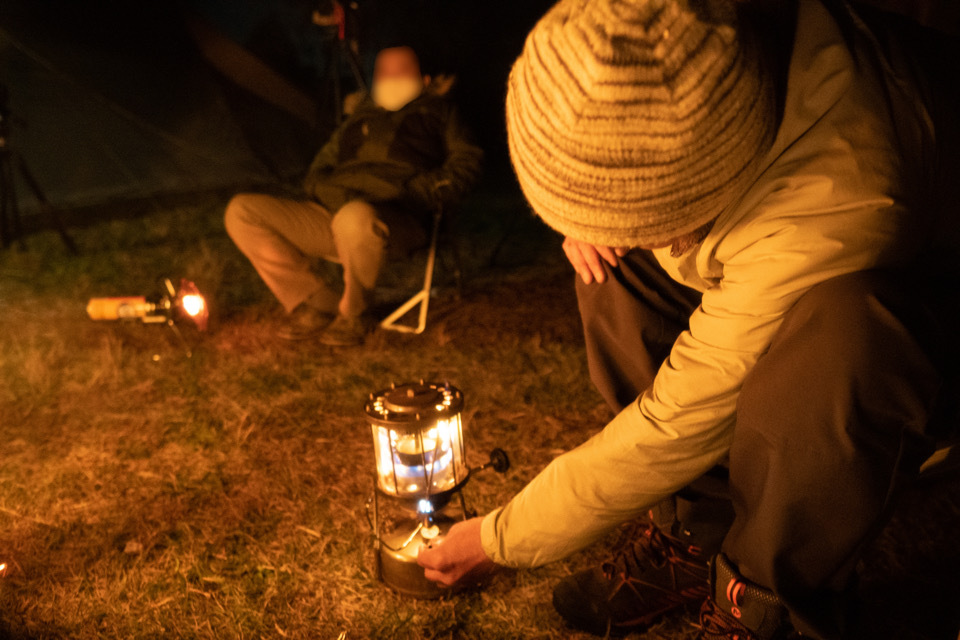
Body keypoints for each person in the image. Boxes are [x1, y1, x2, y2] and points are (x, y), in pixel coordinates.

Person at [417, 1, 960, 638]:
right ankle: (696, 532)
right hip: (763, 225)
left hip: (927, 311)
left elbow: (678, 423)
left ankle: (761, 596)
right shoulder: (676, 38)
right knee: (611, 267)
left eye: (656, 216)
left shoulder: (834, 202)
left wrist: (500, 537)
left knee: (846, 336)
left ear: (707, 181)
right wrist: (589, 215)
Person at [225, 46, 482, 346]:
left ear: (425, 80)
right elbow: (321, 165)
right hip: (333, 211)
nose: (392, 78)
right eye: (384, 71)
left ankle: (354, 314)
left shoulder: (441, 112)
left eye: (402, 70)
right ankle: (318, 303)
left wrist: (418, 192)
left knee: (355, 217)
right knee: (242, 211)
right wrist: (323, 189)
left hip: (396, 216)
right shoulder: (360, 116)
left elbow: (468, 162)